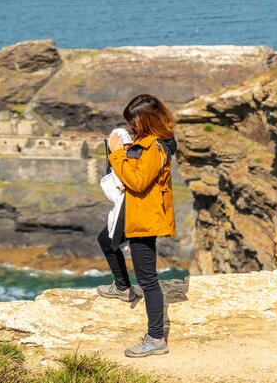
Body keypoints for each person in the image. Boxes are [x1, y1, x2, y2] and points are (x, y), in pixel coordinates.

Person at [96, 93, 176, 358]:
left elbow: (140, 182)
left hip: (143, 216)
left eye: (134, 122)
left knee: (148, 279)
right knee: (106, 240)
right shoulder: (148, 140)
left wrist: (117, 154)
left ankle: (155, 339)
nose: (132, 127)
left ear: (147, 120)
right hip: (131, 210)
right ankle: (122, 288)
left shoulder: (155, 146)